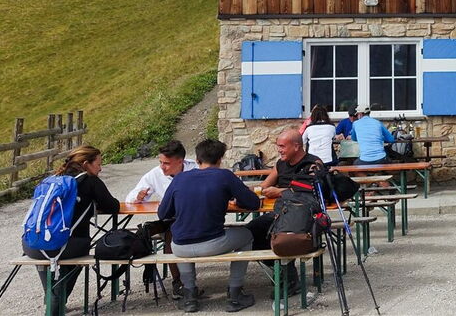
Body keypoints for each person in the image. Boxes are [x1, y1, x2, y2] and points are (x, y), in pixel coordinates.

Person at [159, 139, 261, 313]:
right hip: (212, 243)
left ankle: (189, 295)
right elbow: (254, 203)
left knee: (183, 237)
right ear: (220, 159)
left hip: (179, 246)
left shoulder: (180, 178)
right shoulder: (225, 176)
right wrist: (235, 200)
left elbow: (163, 214)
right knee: (246, 235)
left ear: (197, 159)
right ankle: (235, 293)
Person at [22, 145, 121, 314]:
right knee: (81, 248)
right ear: (86, 164)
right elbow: (113, 207)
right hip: (64, 248)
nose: (101, 168)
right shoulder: (90, 181)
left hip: (31, 245)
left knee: (50, 250)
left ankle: (52, 299)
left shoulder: (52, 179)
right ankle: (56, 302)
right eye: (98, 164)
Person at [246, 128, 323, 295]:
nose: (279, 150)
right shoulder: (280, 164)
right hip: (280, 212)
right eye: (278, 146)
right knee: (249, 232)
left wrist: (280, 191)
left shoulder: (313, 164)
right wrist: (241, 191)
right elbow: (264, 186)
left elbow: (313, 191)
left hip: (302, 215)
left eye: (282, 146)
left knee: (282, 235)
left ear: (296, 146)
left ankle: (288, 278)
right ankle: (284, 272)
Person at [125, 139, 199, 297]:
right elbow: (130, 198)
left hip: (197, 217)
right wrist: (138, 196)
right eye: (160, 162)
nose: (162, 167)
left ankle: (186, 282)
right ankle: (179, 282)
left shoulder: (196, 169)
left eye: (166, 163)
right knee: (171, 234)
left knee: (174, 233)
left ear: (180, 161)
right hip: (172, 220)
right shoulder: (155, 174)